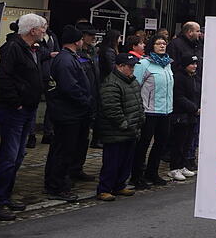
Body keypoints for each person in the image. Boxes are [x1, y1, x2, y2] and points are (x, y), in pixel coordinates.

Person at [0, 13, 48, 221]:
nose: (44, 31)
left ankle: (6, 197)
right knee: (9, 157)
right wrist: (16, 101)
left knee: (18, 156)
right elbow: (4, 77)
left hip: (28, 109)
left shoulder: (33, 49)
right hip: (14, 110)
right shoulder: (14, 48)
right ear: (33, 30)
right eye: (42, 28)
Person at [43, 25, 94, 202]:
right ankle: (57, 185)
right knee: (63, 151)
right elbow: (69, 87)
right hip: (68, 113)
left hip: (71, 112)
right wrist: (85, 101)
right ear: (77, 41)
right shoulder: (66, 60)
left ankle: (58, 182)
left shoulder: (69, 57)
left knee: (64, 149)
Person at [95, 52, 144, 201]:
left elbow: (138, 102)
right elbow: (112, 109)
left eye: (133, 66)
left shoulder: (132, 81)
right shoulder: (111, 83)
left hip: (131, 130)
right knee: (112, 162)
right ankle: (104, 188)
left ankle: (119, 185)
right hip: (116, 131)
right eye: (130, 66)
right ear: (120, 66)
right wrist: (124, 124)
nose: (132, 69)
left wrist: (140, 119)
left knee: (126, 160)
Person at [132, 35, 174, 188]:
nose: (162, 46)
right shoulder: (144, 64)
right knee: (143, 144)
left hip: (166, 111)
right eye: (158, 43)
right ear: (152, 46)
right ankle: (136, 175)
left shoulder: (168, 64)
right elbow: (135, 86)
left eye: (164, 43)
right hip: (149, 111)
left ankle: (152, 172)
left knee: (160, 143)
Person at [169, 55, 200, 181]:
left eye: (195, 64)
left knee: (187, 142)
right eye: (192, 64)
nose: (194, 66)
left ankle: (182, 165)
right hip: (181, 115)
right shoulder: (179, 77)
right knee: (178, 143)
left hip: (192, 116)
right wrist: (194, 108)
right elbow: (179, 97)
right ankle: (174, 168)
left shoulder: (194, 78)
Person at [74, 21, 101, 153]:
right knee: (73, 139)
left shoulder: (93, 52)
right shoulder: (75, 54)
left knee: (84, 138)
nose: (93, 38)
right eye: (90, 35)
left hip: (92, 99)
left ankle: (78, 168)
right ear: (82, 36)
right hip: (79, 101)